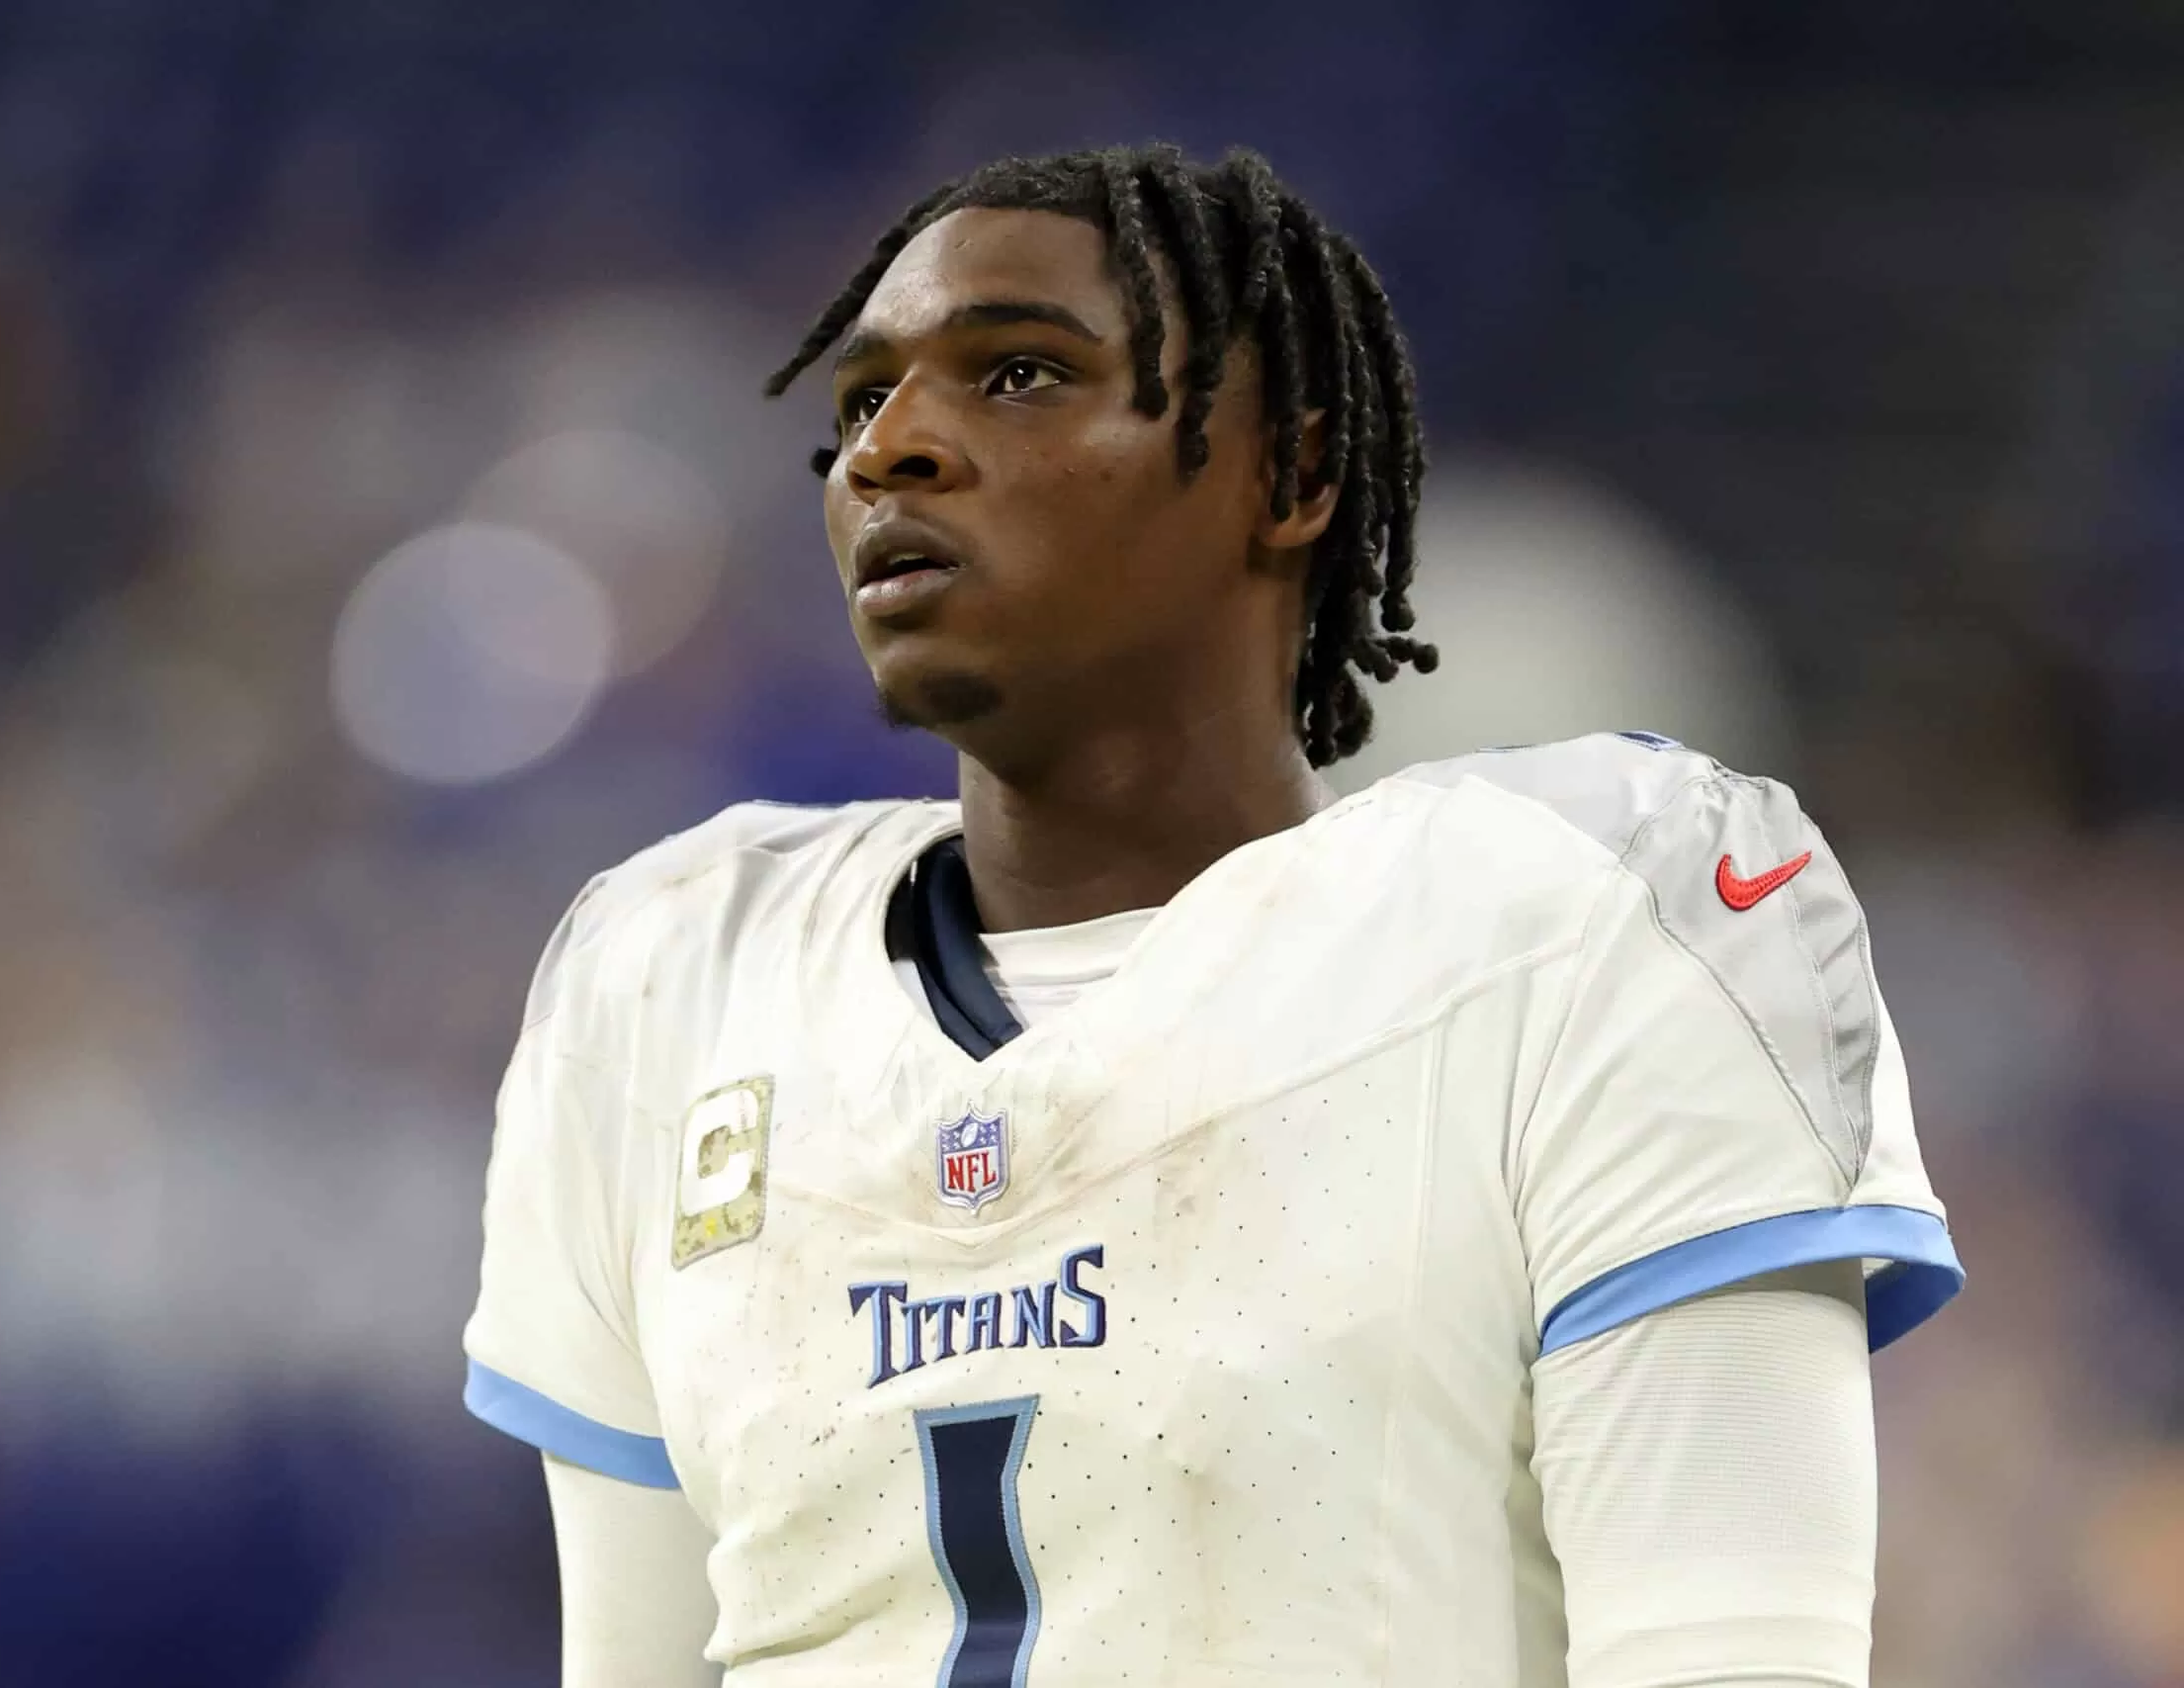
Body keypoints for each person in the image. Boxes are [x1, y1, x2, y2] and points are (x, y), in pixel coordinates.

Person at [461, 142, 1964, 1687]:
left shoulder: (1596, 915)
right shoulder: (665, 981)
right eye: (861, 404)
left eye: (1021, 374)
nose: (890, 449)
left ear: (1290, 476)